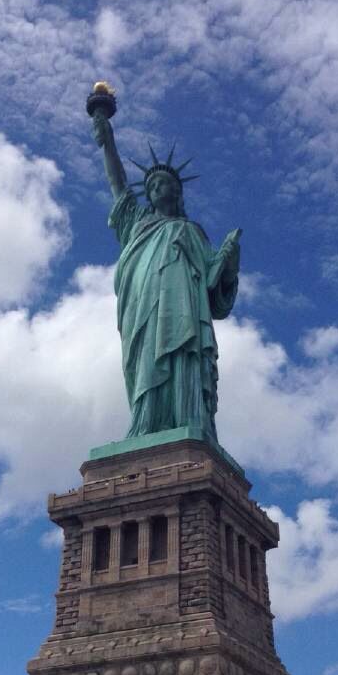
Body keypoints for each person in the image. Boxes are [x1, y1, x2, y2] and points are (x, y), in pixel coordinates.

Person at [93, 111, 240, 441]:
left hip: (183, 313)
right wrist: (108, 143)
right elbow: (118, 185)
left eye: (165, 184)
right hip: (142, 309)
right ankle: (146, 424)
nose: (158, 188)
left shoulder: (191, 232)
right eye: (152, 185)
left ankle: (188, 420)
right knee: (146, 361)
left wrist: (229, 261)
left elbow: (215, 287)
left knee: (183, 355)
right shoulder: (137, 224)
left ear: (177, 192)